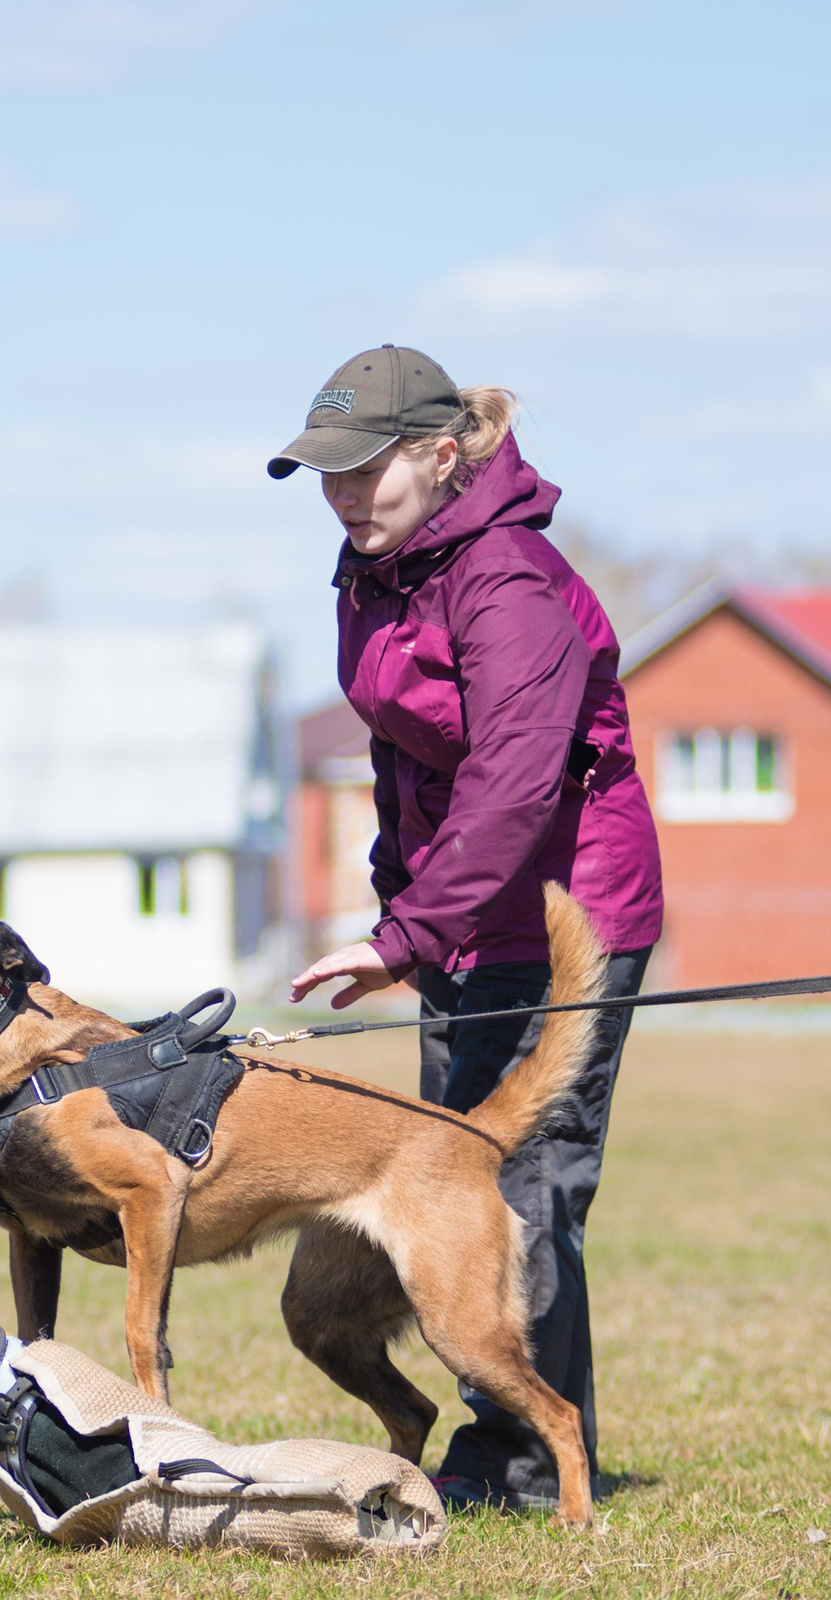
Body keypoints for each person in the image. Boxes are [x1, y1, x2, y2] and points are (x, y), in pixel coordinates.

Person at [275, 345, 664, 1514]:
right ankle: (489, 1433)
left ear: (443, 457)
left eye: (365, 469)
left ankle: (530, 1457)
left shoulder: (509, 581)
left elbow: (512, 782)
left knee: (531, 1176)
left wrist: (403, 934)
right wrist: (404, 913)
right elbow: (406, 757)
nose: (343, 496)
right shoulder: (376, 570)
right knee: (452, 1171)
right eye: (325, 474)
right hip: (460, 912)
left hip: (566, 906)